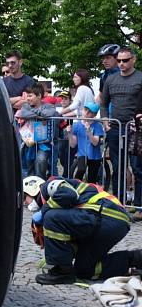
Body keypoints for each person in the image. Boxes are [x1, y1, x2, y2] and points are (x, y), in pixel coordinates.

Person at [23, 176, 142, 285]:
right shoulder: (53, 199)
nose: (24, 202)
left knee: (52, 217)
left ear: (31, 189)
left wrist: (44, 211)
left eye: (24, 197)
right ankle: (136, 258)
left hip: (107, 215)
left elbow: (69, 195)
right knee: (84, 270)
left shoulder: (49, 185)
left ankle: (62, 271)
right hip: (111, 220)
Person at [99, 47, 142, 202]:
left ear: (133, 59)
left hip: (136, 130)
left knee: (137, 169)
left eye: (125, 60)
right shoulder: (110, 79)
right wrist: (105, 122)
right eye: (119, 61)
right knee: (118, 169)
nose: (121, 63)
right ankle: (118, 204)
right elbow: (103, 104)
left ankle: (138, 206)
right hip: (115, 129)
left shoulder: (140, 78)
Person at [17, 83, 57, 178]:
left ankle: (40, 182)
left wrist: (34, 113)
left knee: (41, 160)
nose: (28, 98)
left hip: (43, 143)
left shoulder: (48, 106)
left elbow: (50, 113)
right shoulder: (26, 106)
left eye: (30, 96)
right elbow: (23, 114)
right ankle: (29, 187)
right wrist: (40, 115)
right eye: (27, 96)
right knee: (29, 165)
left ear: (39, 95)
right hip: (29, 143)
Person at [69, 102, 104, 183]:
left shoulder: (97, 125)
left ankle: (90, 192)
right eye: (85, 110)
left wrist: (89, 132)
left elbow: (95, 143)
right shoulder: (76, 125)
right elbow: (73, 144)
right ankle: (75, 187)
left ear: (94, 115)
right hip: (82, 154)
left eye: (90, 111)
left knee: (92, 179)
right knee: (81, 169)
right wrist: (70, 133)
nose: (86, 113)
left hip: (95, 156)